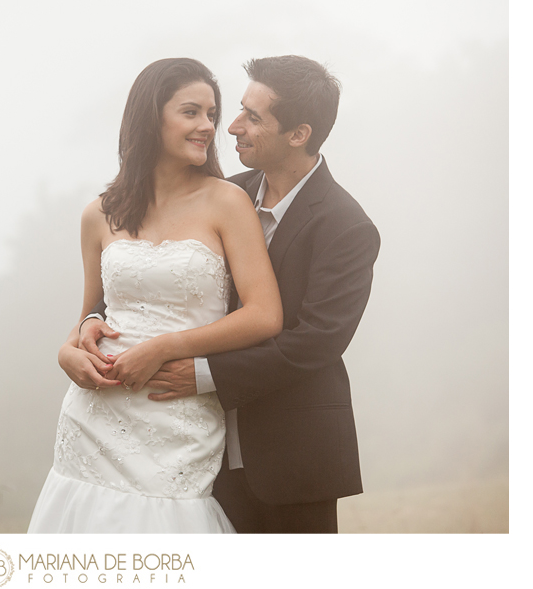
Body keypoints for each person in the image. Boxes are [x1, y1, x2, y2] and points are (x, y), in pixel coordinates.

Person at [78, 55, 381, 533]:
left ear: (298, 134)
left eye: (253, 117)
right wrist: (86, 327)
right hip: (194, 451)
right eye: (236, 110)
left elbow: (316, 343)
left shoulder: (347, 226)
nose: (232, 127)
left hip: (292, 460)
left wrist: (202, 374)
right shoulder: (222, 193)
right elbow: (130, 288)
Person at [27, 58, 283, 533]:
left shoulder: (227, 202)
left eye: (211, 113)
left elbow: (265, 315)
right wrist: (67, 352)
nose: (208, 126)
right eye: (191, 112)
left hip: (176, 410)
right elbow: (90, 314)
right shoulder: (98, 215)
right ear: (150, 117)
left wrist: (165, 348)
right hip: (95, 417)